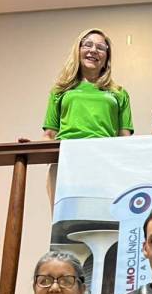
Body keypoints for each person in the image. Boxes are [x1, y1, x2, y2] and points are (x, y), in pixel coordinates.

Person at [32, 27, 134, 208]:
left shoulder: (119, 93)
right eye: (87, 45)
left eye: (100, 48)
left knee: (103, 218)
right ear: (78, 51)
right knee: (64, 221)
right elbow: (49, 134)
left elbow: (124, 138)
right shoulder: (60, 90)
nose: (93, 50)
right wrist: (32, 146)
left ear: (106, 58)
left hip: (105, 162)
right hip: (65, 162)